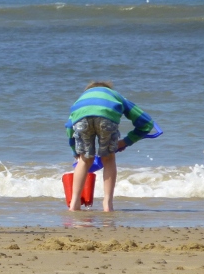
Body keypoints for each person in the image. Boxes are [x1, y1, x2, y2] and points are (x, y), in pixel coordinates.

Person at [66, 81, 154, 212]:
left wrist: (75, 152)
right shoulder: (115, 95)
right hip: (106, 118)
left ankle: (74, 204)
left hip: (81, 119)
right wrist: (126, 141)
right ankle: (107, 204)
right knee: (108, 158)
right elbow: (147, 122)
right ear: (107, 89)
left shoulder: (81, 99)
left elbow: (69, 128)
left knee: (84, 159)